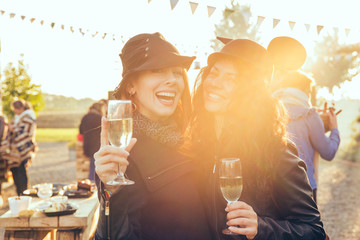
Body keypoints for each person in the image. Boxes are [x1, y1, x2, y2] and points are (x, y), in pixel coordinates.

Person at [186, 37, 326, 239]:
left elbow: (314, 231)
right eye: (214, 73)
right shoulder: (199, 142)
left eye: (230, 79)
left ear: (250, 93)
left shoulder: (276, 152)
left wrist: (261, 227)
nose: (215, 84)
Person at [94, 32, 212, 240]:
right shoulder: (122, 153)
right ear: (131, 86)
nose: (171, 81)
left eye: (177, 72)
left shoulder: (188, 137)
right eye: (157, 70)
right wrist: (112, 192)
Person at [273, 70, 340, 202]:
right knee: (308, 223)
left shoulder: (273, 111)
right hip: (304, 187)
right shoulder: (309, 115)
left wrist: (320, 124)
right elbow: (328, 152)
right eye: (309, 92)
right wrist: (334, 128)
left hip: (275, 187)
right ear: (303, 91)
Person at [3, 99, 37, 196]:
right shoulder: (18, 117)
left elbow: (25, 132)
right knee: (14, 170)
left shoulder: (28, 117)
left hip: (23, 148)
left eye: (15, 109)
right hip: (14, 151)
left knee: (21, 170)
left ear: (21, 108)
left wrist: (12, 128)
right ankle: (19, 193)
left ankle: (24, 193)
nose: (14, 111)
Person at [79, 101, 106, 181]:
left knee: (92, 166)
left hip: (88, 146)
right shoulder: (100, 118)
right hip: (98, 146)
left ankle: (91, 183)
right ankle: (93, 185)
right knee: (95, 169)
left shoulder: (85, 117)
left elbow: (80, 131)